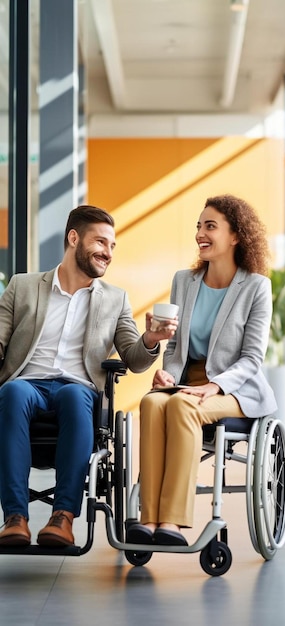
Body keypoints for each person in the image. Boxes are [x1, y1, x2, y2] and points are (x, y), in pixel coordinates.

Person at [0, 205, 177, 548]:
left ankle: (63, 517)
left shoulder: (115, 299)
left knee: (72, 396)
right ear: (73, 238)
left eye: (112, 246)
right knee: (13, 393)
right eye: (100, 242)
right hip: (26, 383)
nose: (107, 253)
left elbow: (135, 358)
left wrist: (151, 339)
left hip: (77, 388)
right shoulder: (22, 287)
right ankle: (15, 518)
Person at [127, 194, 278, 547]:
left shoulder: (256, 287)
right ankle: (149, 519)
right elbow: (176, 346)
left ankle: (174, 522)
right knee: (151, 403)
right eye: (198, 226)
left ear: (236, 235)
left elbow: (252, 358)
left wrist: (215, 387)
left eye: (210, 226)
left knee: (181, 407)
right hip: (186, 383)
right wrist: (166, 374)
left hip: (235, 391)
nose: (200, 233)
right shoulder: (185, 281)